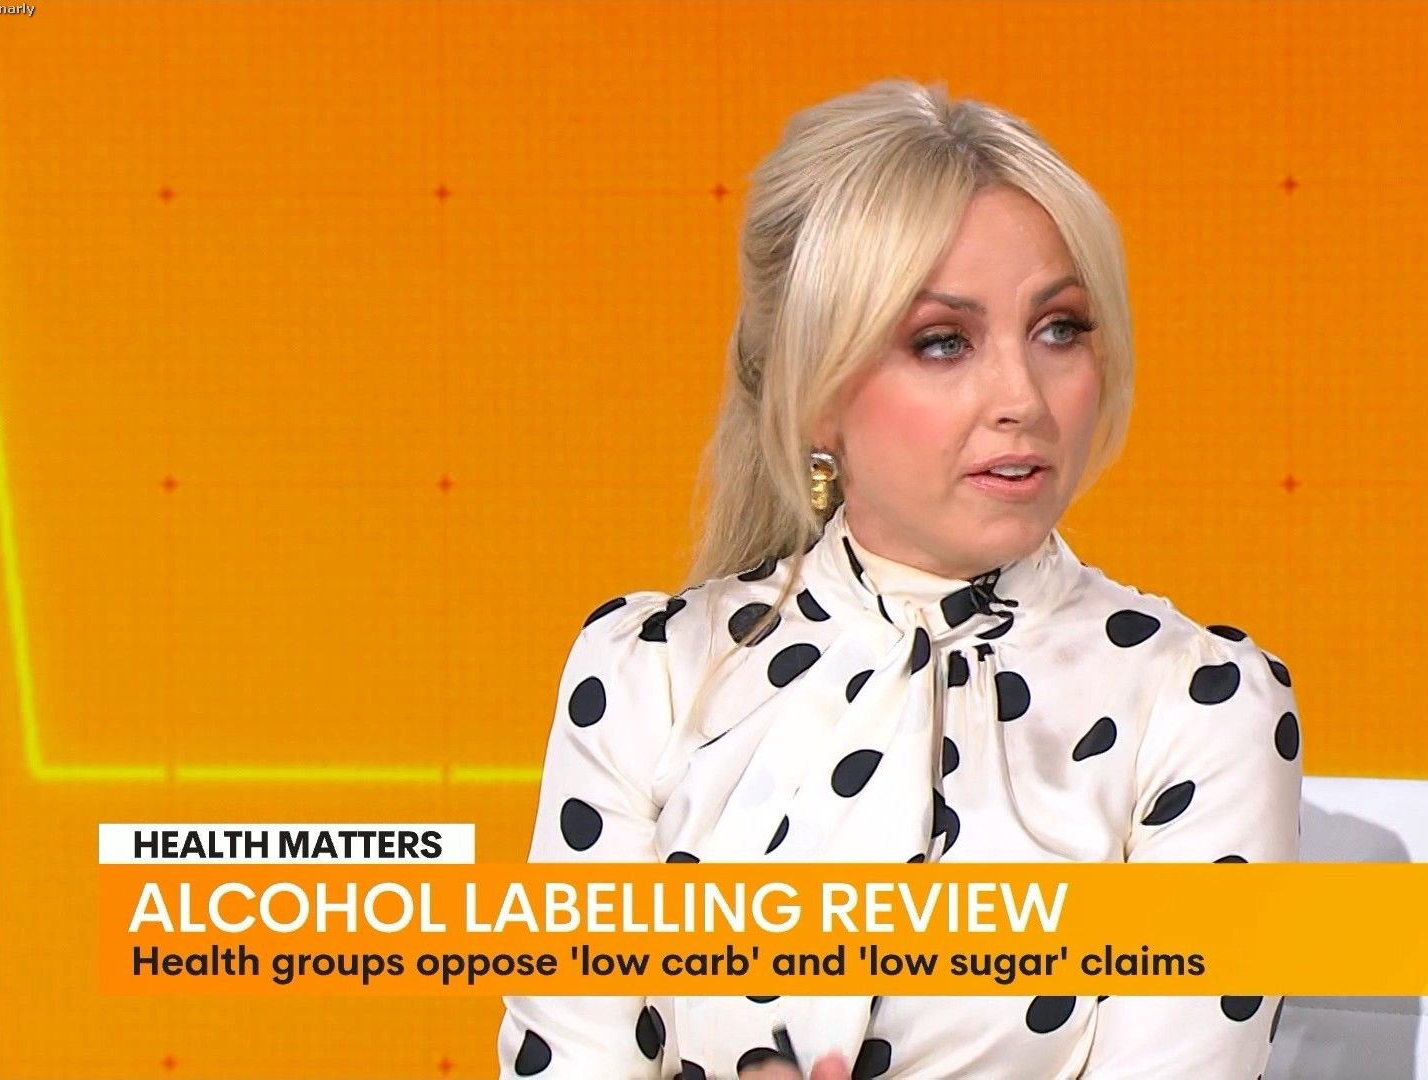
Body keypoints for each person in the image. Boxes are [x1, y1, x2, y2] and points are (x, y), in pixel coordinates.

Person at [496, 77, 1303, 1080]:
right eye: (942, 342)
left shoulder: (1200, 704)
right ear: (814, 393)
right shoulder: (644, 674)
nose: (1022, 397)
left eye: (1060, 328)